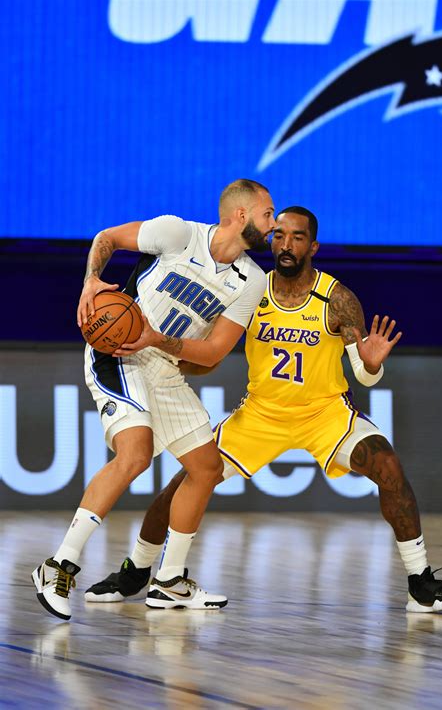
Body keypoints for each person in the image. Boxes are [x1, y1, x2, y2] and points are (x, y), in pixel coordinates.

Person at [85, 207, 442, 614]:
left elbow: (364, 375)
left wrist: (372, 363)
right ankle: (137, 570)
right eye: (279, 235)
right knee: (184, 483)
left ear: (313, 246)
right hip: (260, 415)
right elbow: (211, 349)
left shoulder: (337, 299)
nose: (286, 244)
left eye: (297, 237)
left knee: (388, 466)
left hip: (324, 413)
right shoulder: (252, 290)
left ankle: (420, 582)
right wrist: (174, 359)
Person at [32, 179, 276, 620]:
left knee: (206, 468)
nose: (273, 224)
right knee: (136, 454)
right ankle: (58, 565)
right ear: (240, 216)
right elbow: (106, 238)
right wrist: (91, 282)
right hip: (118, 352)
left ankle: (169, 581)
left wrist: (157, 339)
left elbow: (215, 351)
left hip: (162, 363)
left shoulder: (253, 279)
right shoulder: (178, 234)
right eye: (267, 214)